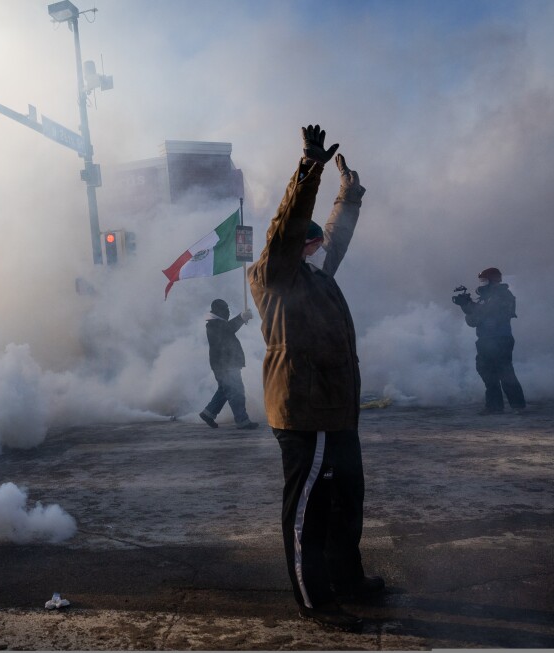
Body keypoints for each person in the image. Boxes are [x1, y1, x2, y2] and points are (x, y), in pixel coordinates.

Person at [248, 125, 383, 632]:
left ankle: (348, 579)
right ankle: (315, 600)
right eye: (307, 242)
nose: (316, 247)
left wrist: (349, 193)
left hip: (336, 411)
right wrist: (309, 170)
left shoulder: (315, 273)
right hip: (306, 412)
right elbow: (288, 227)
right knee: (309, 512)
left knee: (347, 501)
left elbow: (335, 236)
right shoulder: (273, 275)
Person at [456, 267, 526, 414]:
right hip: (486, 340)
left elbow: (481, 313)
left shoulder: (502, 295)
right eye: (481, 281)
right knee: (487, 372)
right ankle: (494, 406)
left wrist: (468, 306)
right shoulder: (486, 297)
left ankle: (518, 406)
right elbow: (474, 318)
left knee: (505, 372)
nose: (482, 284)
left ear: (493, 281)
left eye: (484, 281)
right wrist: (466, 304)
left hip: (500, 339)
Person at [199, 299, 259, 430]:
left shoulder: (216, 323)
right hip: (225, 365)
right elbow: (229, 329)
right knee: (236, 392)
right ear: (218, 310)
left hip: (224, 364)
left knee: (225, 390)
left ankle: (208, 413)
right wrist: (242, 317)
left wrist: (242, 318)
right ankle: (242, 421)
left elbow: (228, 328)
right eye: (225, 309)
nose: (228, 311)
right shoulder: (214, 324)